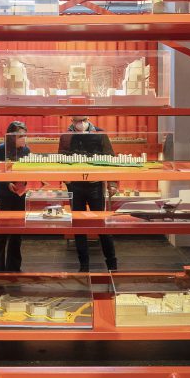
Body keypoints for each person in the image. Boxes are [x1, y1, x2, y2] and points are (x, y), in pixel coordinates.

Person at [59, 116, 118, 272]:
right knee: (78, 227)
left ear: (88, 118)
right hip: (75, 186)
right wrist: (67, 181)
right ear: (72, 120)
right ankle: (83, 265)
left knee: (102, 226)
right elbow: (61, 158)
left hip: (96, 185)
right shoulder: (66, 136)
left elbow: (110, 158)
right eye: (77, 120)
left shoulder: (100, 134)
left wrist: (112, 183)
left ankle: (112, 263)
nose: (80, 123)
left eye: (83, 119)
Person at [0, 120, 30, 273]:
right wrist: (8, 183)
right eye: (20, 136)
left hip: (19, 196)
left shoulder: (26, 151)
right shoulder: (1, 149)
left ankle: (14, 268)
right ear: (11, 137)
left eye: (25, 136)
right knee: (0, 235)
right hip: (3, 195)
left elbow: (29, 169)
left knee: (17, 234)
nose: (23, 139)